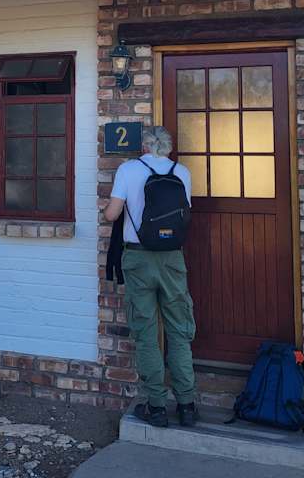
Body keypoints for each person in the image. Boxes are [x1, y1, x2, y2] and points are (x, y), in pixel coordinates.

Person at [103, 126, 198, 428]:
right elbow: (185, 214)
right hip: (172, 258)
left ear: (144, 146)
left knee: (145, 333)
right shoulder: (181, 172)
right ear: (168, 147)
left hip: (139, 258)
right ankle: (187, 405)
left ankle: (156, 406)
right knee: (179, 331)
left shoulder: (128, 169)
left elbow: (112, 215)